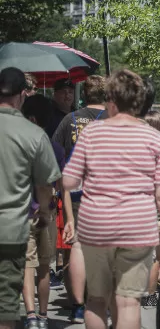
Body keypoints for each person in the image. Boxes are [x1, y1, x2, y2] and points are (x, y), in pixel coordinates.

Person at [62, 69, 160, 329]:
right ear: (138, 101)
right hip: (138, 228)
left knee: (97, 300)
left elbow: (68, 181)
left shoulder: (91, 134)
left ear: (110, 101)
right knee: (128, 303)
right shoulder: (154, 137)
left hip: (96, 226)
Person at [0, 68, 61, 329]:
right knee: (6, 305)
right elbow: (45, 185)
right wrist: (46, 215)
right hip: (11, 229)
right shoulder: (33, 134)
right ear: (22, 95)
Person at [52, 75, 108, 324]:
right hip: (107, 191)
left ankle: (77, 304)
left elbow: (54, 153)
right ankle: (99, 301)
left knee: (76, 246)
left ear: (84, 94)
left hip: (75, 189)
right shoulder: (115, 120)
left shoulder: (71, 119)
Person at [20, 95, 65, 329]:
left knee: (28, 265)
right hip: (47, 213)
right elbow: (59, 184)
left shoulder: (19, 144)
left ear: (31, 118)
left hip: (24, 212)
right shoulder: (56, 148)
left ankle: (30, 315)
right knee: (45, 267)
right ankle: (45, 315)